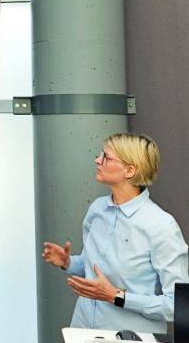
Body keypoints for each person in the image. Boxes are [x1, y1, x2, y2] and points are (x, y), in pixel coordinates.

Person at [42, 133, 189, 334]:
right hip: (81, 331)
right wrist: (68, 263)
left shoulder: (161, 226)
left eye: (106, 157)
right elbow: (93, 268)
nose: (97, 160)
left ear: (130, 170)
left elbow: (178, 306)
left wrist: (116, 296)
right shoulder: (97, 209)